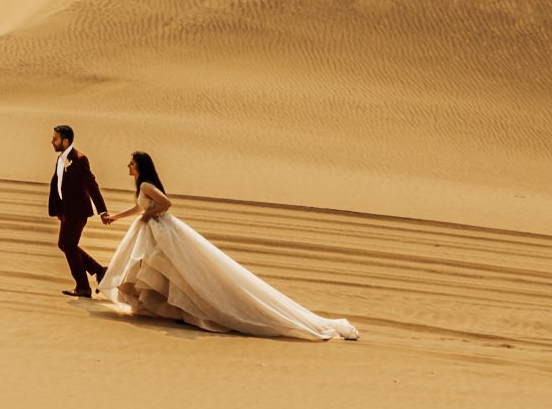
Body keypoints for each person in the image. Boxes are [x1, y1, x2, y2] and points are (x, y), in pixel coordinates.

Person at [99, 151, 358, 341]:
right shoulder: (141, 186)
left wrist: (148, 215)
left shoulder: (145, 183)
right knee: (158, 269)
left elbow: (166, 204)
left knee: (171, 269)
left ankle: (179, 309)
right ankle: (169, 309)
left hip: (160, 231)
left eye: (131, 162)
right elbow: (139, 206)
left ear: (140, 165)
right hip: (152, 231)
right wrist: (117, 216)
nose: (128, 165)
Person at [46, 124, 108, 297]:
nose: (52, 141)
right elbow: (57, 185)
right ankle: (99, 271)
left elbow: (91, 185)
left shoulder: (79, 159)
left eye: (55, 139)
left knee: (68, 245)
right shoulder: (61, 158)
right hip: (66, 213)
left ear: (65, 141)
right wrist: (58, 210)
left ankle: (83, 287)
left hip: (78, 212)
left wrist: (102, 210)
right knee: (64, 244)